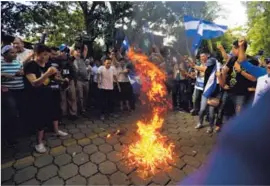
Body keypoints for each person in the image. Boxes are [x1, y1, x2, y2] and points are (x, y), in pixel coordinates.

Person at [24, 44, 66, 153]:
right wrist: (47, 73)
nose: (46, 57)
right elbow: (34, 83)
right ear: (37, 54)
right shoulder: (31, 65)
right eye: (44, 54)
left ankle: (56, 131)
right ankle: (39, 143)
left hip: (48, 93)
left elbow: (54, 78)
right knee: (40, 118)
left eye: (48, 54)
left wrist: (62, 80)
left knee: (54, 111)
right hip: (35, 96)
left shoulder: (47, 64)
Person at [1, 45, 24, 145]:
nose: (15, 54)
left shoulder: (17, 62)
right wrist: (5, 75)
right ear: (5, 54)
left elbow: (23, 71)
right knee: (11, 113)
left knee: (19, 112)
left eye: (15, 52)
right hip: (8, 91)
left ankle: (17, 133)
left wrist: (21, 72)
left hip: (20, 90)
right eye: (12, 53)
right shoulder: (1, 63)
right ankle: (9, 137)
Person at [58, 44, 78, 120]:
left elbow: (74, 52)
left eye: (66, 51)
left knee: (72, 97)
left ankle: (73, 114)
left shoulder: (70, 59)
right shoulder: (57, 60)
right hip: (61, 81)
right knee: (62, 99)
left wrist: (70, 79)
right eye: (62, 51)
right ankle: (63, 114)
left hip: (70, 80)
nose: (64, 53)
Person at [73, 48, 89, 114]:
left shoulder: (83, 59)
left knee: (86, 95)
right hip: (79, 80)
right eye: (77, 52)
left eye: (79, 52)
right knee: (80, 96)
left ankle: (84, 108)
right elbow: (76, 70)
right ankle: (81, 110)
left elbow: (85, 51)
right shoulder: (74, 61)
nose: (78, 53)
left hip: (86, 80)